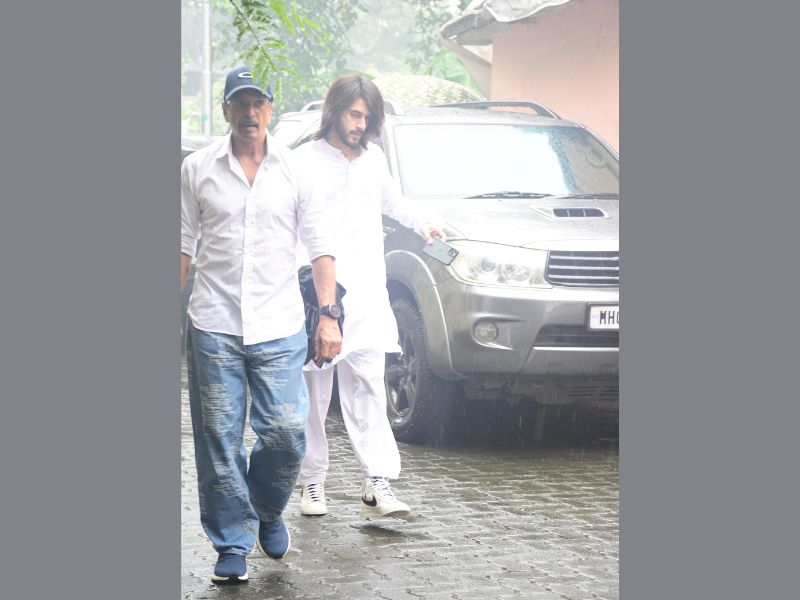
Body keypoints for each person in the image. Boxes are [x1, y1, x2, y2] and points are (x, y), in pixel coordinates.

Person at [180, 66, 342, 584]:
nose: (249, 113)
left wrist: (329, 316)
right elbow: (181, 246)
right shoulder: (197, 168)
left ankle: (267, 509)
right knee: (218, 438)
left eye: (258, 103)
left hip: (279, 324)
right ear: (225, 109)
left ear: (270, 109)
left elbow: (321, 248)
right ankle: (231, 543)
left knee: (287, 433)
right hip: (214, 322)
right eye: (240, 103)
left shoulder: (296, 170)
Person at [294, 74, 444, 519]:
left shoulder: (373, 159)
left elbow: (394, 204)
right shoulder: (302, 161)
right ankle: (312, 482)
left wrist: (423, 223)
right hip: (317, 296)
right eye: (353, 114)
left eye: (367, 117)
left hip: (365, 293)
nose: (360, 125)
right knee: (314, 394)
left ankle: (376, 484)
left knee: (368, 389)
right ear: (334, 111)